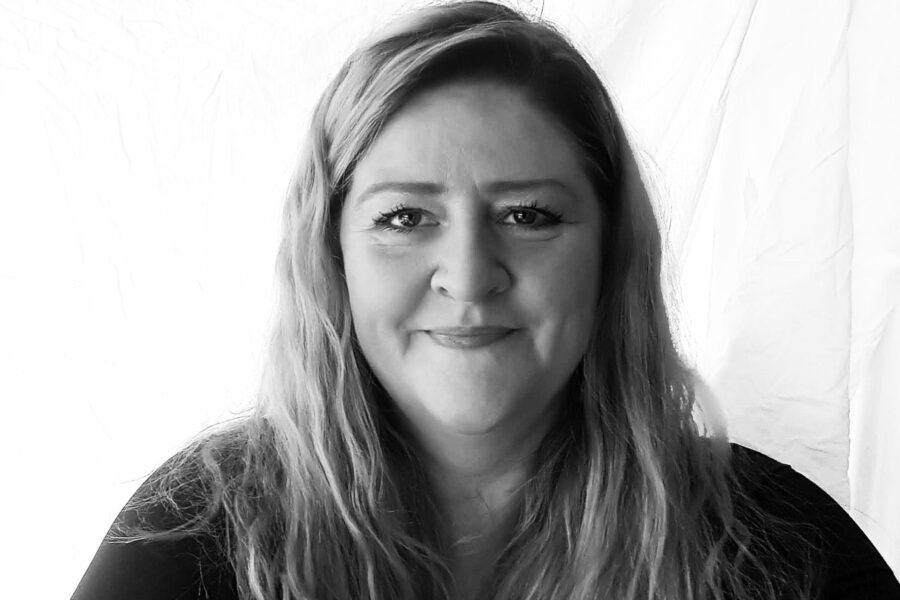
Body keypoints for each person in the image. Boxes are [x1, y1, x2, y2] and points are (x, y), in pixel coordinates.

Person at [71, 2, 899, 599]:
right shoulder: (200, 536)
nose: (468, 277)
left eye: (528, 215)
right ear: (331, 256)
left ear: (610, 252)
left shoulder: (777, 548)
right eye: (405, 218)